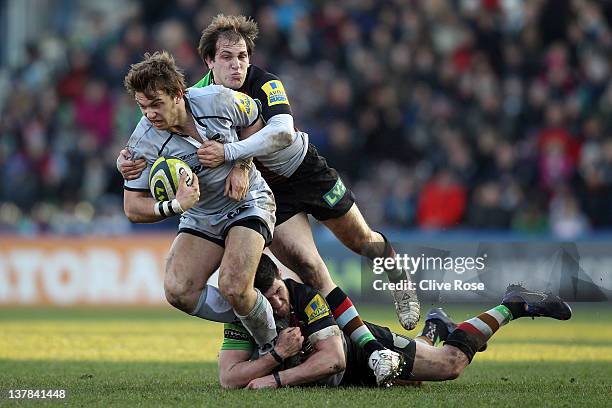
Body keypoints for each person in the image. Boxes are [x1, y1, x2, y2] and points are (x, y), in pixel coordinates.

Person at [117, 14, 418, 384]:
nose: (237, 65)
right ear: (208, 62)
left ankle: (397, 275)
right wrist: (133, 164)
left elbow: (280, 132)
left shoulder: (263, 84)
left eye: (242, 56)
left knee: (364, 242)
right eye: (227, 57)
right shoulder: (195, 97)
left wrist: (235, 158)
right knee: (309, 268)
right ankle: (366, 348)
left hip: (302, 172)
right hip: (266, 192)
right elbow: (146, 173)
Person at [217, 254, 572, 389]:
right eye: (268, 299)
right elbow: (229, 378)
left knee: (450, 365)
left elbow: (334, 359)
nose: (278, 303)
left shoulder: (304, 296)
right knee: (416, 378)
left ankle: (512, 305)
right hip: (343, 378)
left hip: (362, 350)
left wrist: (275, 378)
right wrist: (276, 355)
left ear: (282, 276)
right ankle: (434, 326)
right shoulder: (243, 313)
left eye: (278, 291)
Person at [122, 50, 279, 354]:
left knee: (233, 285)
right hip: (201, 216)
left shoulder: (218, 99)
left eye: (157, 104)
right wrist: (175, 207)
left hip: (248, 202)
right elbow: (132, 207)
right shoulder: (142, 142)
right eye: (143, 107)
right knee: (178, 290)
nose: (150, 114)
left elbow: (256, 122)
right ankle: (262, 316)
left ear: (178, 94)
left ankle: (272, 346)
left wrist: (241, 163)